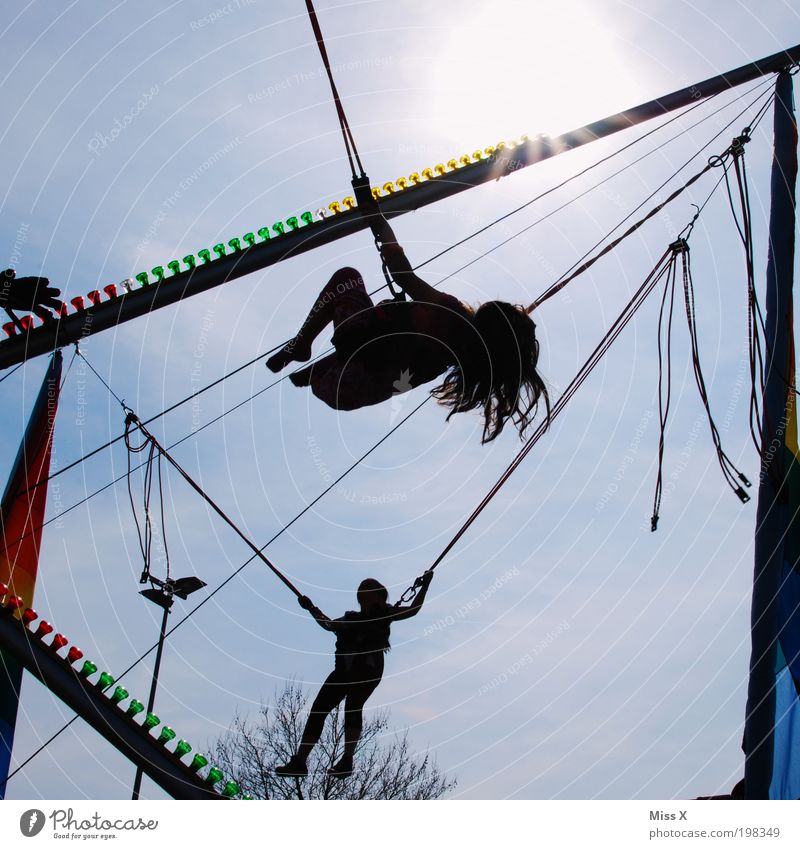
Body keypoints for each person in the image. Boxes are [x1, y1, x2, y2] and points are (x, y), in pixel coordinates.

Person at [266, 218, 549, 443]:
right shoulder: (455, 357)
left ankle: (302, 344)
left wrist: (378, 220)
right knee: (381, 343)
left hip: (352, 367)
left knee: (347, 279)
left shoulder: (451, 315)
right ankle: (318, 368)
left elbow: (402, 273)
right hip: (346, 390)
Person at [275, 571, 434, 779]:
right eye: (363, 590)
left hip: (367, 668)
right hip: (343, 670)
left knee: (353, 704)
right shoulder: (350, 620)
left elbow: (413, 609)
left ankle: (347, 760)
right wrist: (311, 609)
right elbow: (328, 625)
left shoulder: (384, 615)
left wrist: (424, 585)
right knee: (319, 709)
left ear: (379, 596)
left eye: (369, 589)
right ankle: (300, 761)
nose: (364, 592)